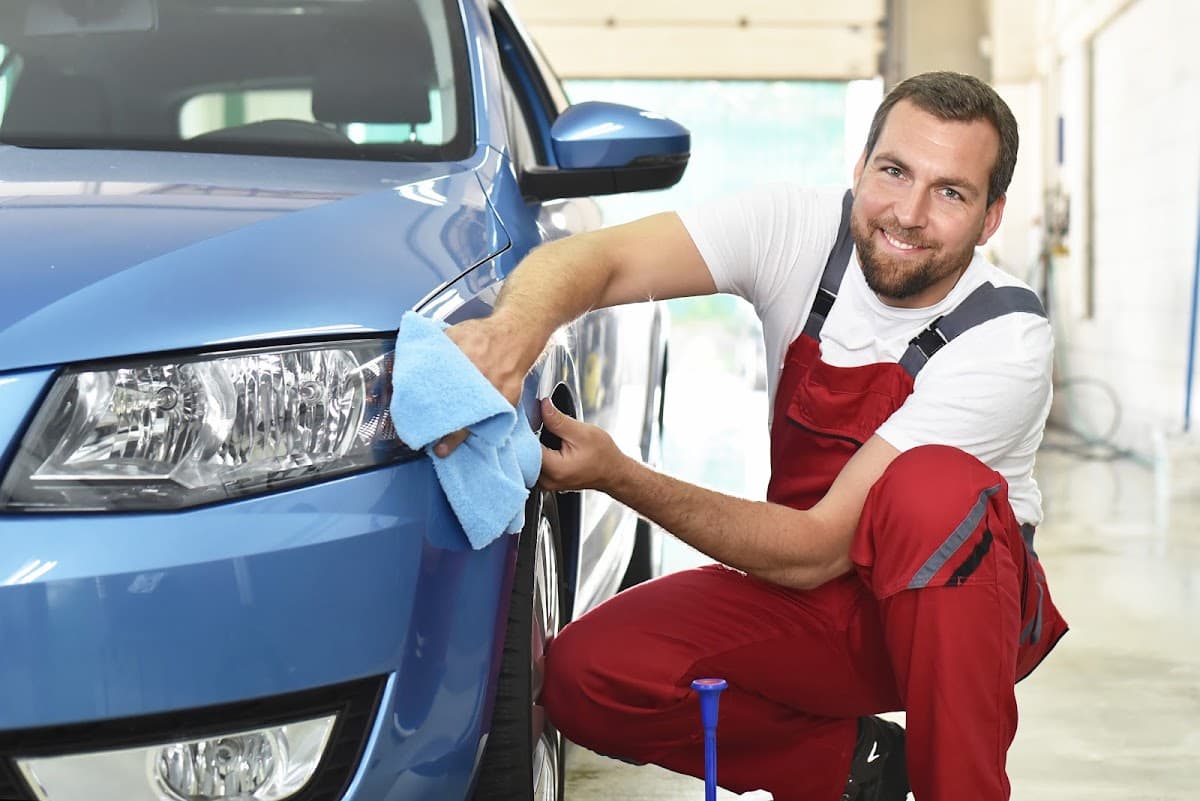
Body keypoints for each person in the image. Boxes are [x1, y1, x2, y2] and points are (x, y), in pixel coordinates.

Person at [440, 71, 1069, 801]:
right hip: (814, 597)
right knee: (588, 677)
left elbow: (813, 549)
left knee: (930, 491)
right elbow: (597, 258)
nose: (908, 212)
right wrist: (507, 337)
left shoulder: (1005, 339)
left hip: (944, 613)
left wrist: (620, 475)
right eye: (894, 172)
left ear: (991, 219)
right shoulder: (796, 228)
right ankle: (856, 769)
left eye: (950, 192)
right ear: (859, 167)